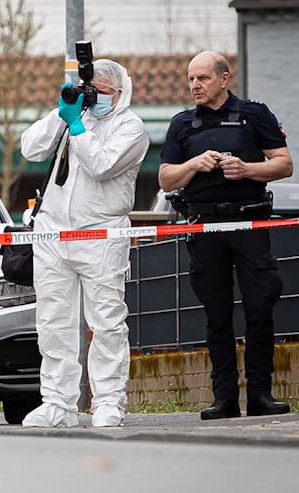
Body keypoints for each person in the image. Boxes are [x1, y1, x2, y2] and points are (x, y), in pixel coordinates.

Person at [159, 51, 293, 420]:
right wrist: (192, 165)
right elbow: (165, 177)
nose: (195, 86)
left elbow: (284, 163)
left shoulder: (254, 114)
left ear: (224, 78)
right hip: (204, 226)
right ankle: (224, 399)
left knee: (260, 307)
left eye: (202, 78)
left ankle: (261, 394)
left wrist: (247, 169)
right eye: (191, 79)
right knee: (216, 314)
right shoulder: (183, 124)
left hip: (249, 224)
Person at [19, 60, 149, 428]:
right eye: (92, 90)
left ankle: (108, 401)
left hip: (100, 235)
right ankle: (57, 402)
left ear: (120, 93)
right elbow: (30, 148)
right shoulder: (76, 116)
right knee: (53, 320)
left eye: (102, 92)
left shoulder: (131, 128)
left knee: (106, 320)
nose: (95, 98)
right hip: (54, 234)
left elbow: (101, 165)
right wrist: (61, 115)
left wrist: (76, 127)